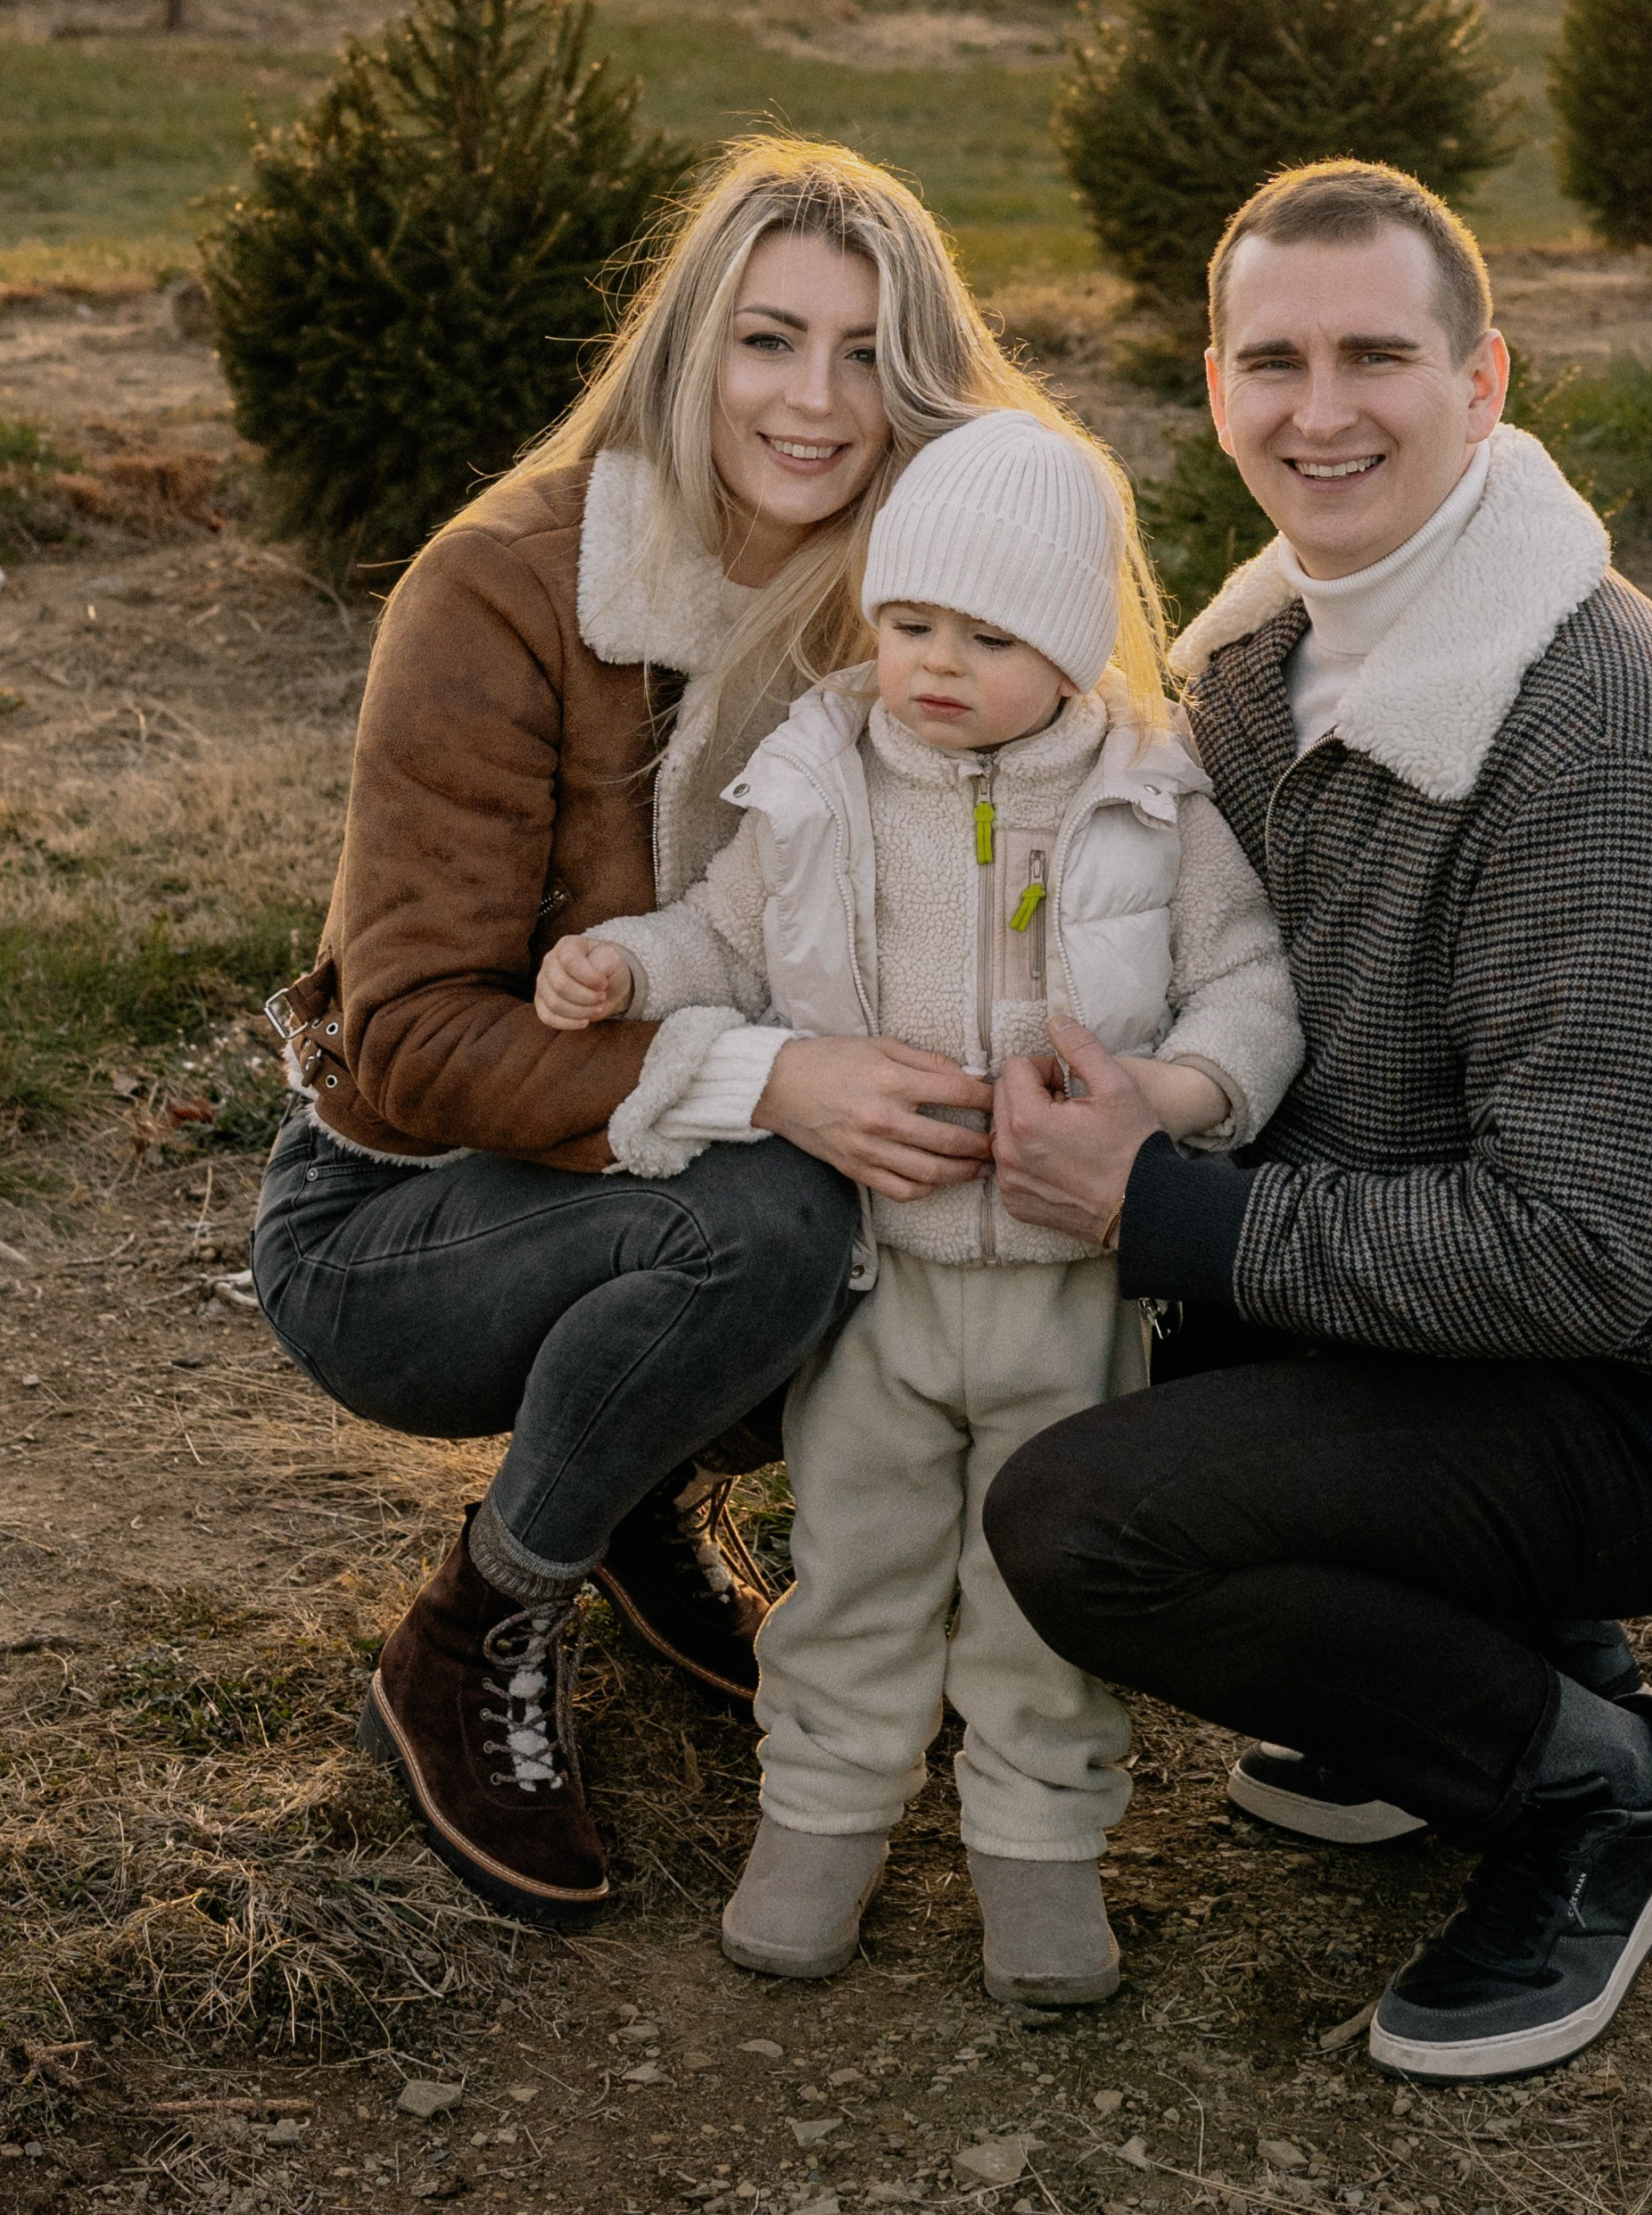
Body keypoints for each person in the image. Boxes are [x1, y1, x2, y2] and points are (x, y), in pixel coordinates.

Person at [982, 159, 1652, 2085]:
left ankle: (1593, 1784)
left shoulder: (1604, 740)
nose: (1322, 406)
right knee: (1118, 1336)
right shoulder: (1261, 658)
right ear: (1214, 386)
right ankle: (1488, 1672)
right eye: (1272, 358)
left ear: (1486, 381)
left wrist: (1164, 1205)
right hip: (1417, 1291)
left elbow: (1578, 1250)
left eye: (1378, 351)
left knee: (1082, 1520)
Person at [250, 139, 1067, 1930]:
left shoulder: (921, 595)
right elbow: (403, 1041)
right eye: (771, 339)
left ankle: (629, 1492)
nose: (817, 399)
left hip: (678, 1170)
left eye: (867, 353)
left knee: (919, 1194)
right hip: (401, 1218)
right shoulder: (507, 590)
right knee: (777, 1214)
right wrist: (770, 1073)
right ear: (688, 345)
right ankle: (481, 1616)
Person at [533, 409, 1301, 2005]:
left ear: (1079, 647)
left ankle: (1039, 1847)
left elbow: (1250, 989)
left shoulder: (1153, 800)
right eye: (910, 623)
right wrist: (631, 967)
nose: (938, 664)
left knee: (1037, 1594)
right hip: (879, 1283)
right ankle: (820, 1818)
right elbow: (724, 934)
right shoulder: (823, 778)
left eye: (991, 634)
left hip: (1073, 1292)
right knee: (861, 1566)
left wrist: (1172, 1101)